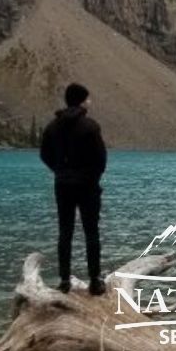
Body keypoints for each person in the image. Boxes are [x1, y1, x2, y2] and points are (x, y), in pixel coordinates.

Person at [40, 82, 108, 295]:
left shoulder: (52, 127)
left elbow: (44, 154)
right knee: (91, 232)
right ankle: (95, 281)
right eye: (88, 98)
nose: (90, 101)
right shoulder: (90, 126)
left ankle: (64, 281)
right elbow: (100, 159)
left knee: (65, 232)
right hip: (87, 186)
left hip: (63, 185)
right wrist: (91, 177)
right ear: (81, 100)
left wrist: (59, 171)